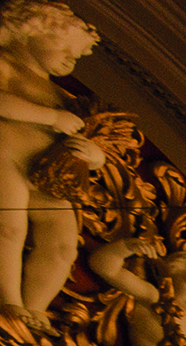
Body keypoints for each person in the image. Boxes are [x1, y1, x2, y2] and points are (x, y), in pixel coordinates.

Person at [0, 0, 98, 327]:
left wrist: (94, 155)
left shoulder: (63, 97)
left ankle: (36, 309)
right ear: (30, 32)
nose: (71, 58)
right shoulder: (5, 64)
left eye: (75, 55)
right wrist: (51, 117)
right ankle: (9, 301)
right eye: (64, 47)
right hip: (6, 157)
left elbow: (88, 136)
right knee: (8, 228)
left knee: (63, 245)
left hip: (45, 173)